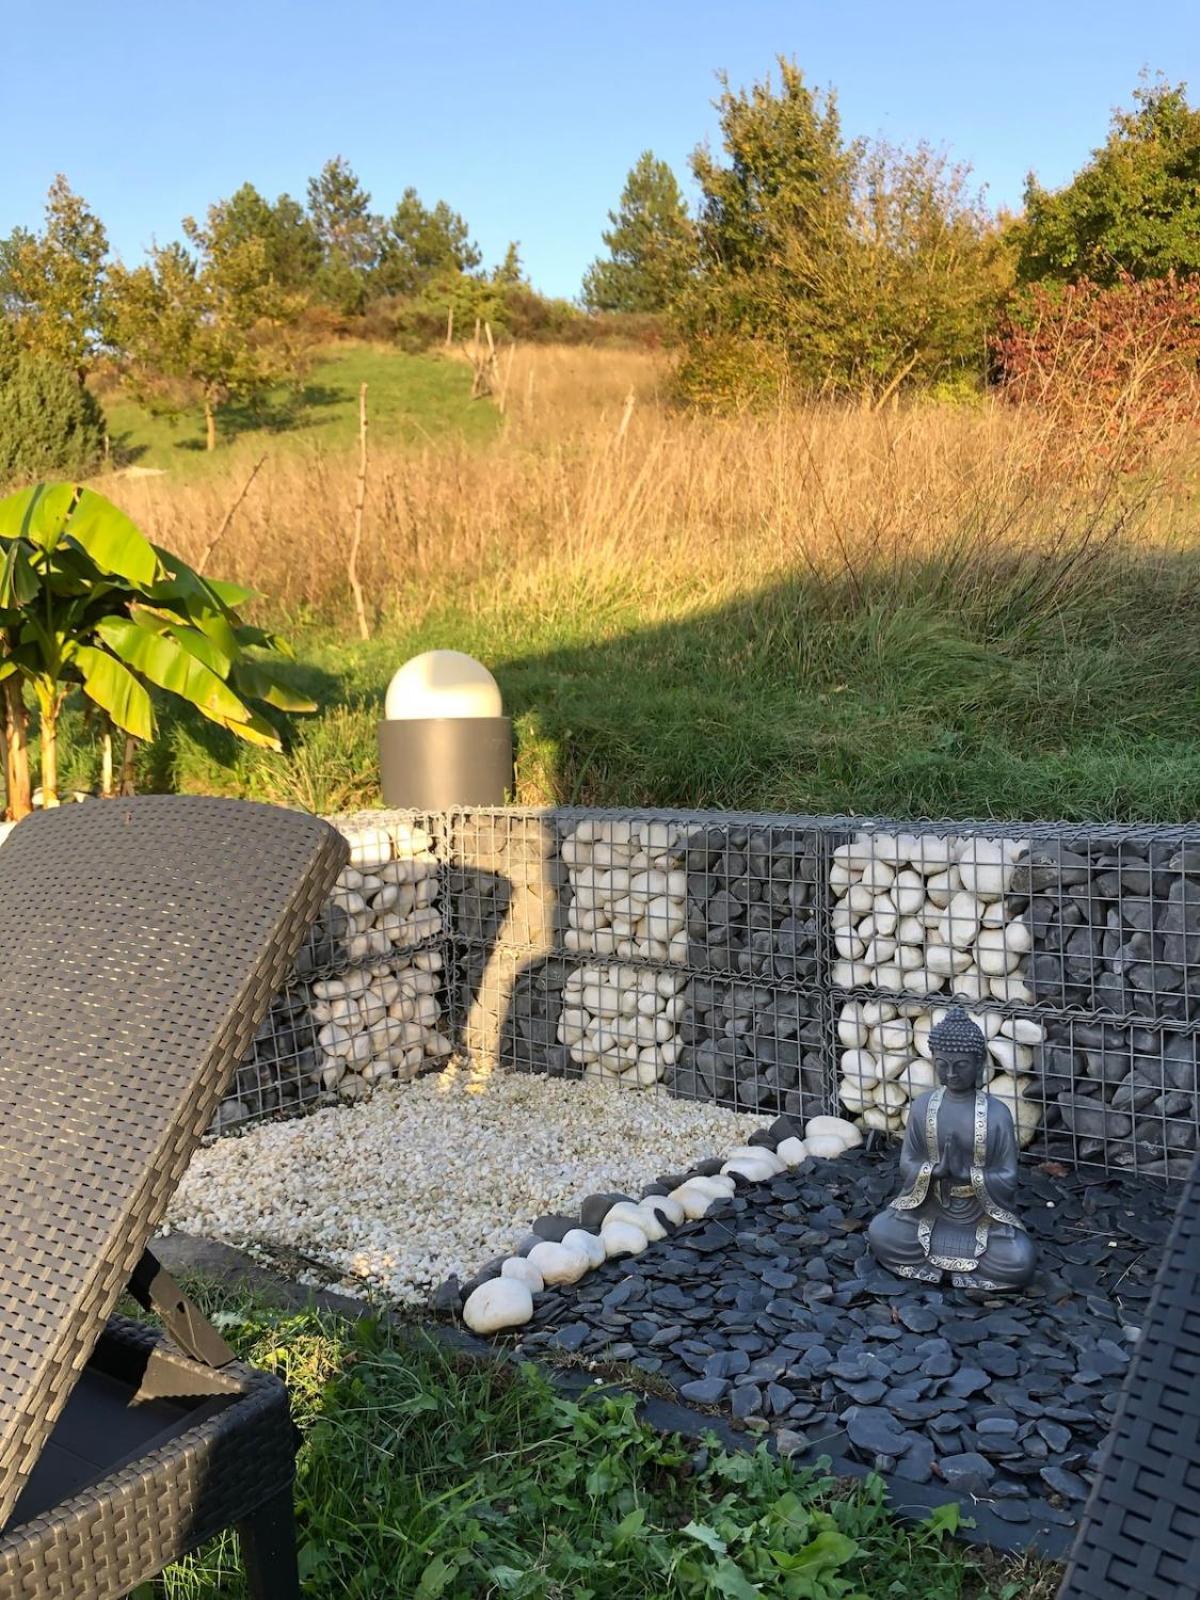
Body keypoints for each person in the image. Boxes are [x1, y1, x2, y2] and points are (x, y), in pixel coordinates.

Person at [867, 1007, 1036, 1291]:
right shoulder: (923, 1107)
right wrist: (934, 1171)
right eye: (942, 1064)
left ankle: (940, 1265)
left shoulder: (996, 1114)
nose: (951, 1073)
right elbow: (908, 1161)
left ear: (979, 1063)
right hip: (930, 1207)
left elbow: (1007, 1176)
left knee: (1019, 1258)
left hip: (980, 1214)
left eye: (961, 1065)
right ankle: (955, 1269)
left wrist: (970, 1176)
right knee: (881, 1231)